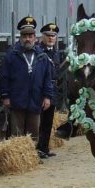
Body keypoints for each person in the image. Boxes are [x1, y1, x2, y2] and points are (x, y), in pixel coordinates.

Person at [0, 17, 53, 142]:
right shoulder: (12, 55)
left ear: (35, 37)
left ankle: (31, 158)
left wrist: (47, 97)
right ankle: (17, 160)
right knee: (17, 134)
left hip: (35, 100)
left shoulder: (42, 56)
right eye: (24, 36)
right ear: (20, 38)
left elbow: (47, 78)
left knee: (34, 134)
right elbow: (4, 77)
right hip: (17, 100)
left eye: (30, 36)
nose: (27, 39)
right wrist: (5, 96)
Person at [36, 23, 61, 159]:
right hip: (42, 89)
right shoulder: (39, 51)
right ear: (42, 36)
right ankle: (38, 148)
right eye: (48, 36)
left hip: (53, 89)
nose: (51, 38)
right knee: (40, 121)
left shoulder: (55, 52)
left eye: (53, 36)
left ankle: (44, 147)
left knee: (48, 121)